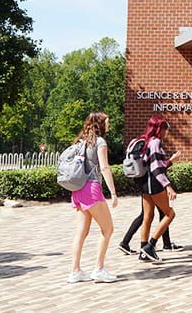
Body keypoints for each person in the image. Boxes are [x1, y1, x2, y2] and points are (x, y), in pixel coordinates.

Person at [69, 112, 119, 283]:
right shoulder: (100, 142)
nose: (109, 125)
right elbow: (104, 168)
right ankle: (99, 269)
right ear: (100, 124)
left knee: (80, 233)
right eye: (107, 122)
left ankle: (75, 271)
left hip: (78, 190)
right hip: (91, 189)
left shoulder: (81, 141)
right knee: (108, 229)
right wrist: (113, 192)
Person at [135, 114, 181, 263]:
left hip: (143, 183)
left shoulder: (145, 140)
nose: (166, 132)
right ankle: (150, 246)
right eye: (164, 129)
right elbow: (156, 168)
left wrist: (169, 161)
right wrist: (168, 186)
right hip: (154, 183)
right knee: (169, 214)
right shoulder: (155, 143)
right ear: (158, 128)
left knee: (148, 216)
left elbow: (154, 164)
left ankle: (143, 250)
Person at [118, 205, 183, 257]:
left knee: (145, 214)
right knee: (164, 213)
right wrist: (168, 187)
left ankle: (126, 242)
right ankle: (165, 245)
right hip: (154, 189)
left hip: (146, 189)